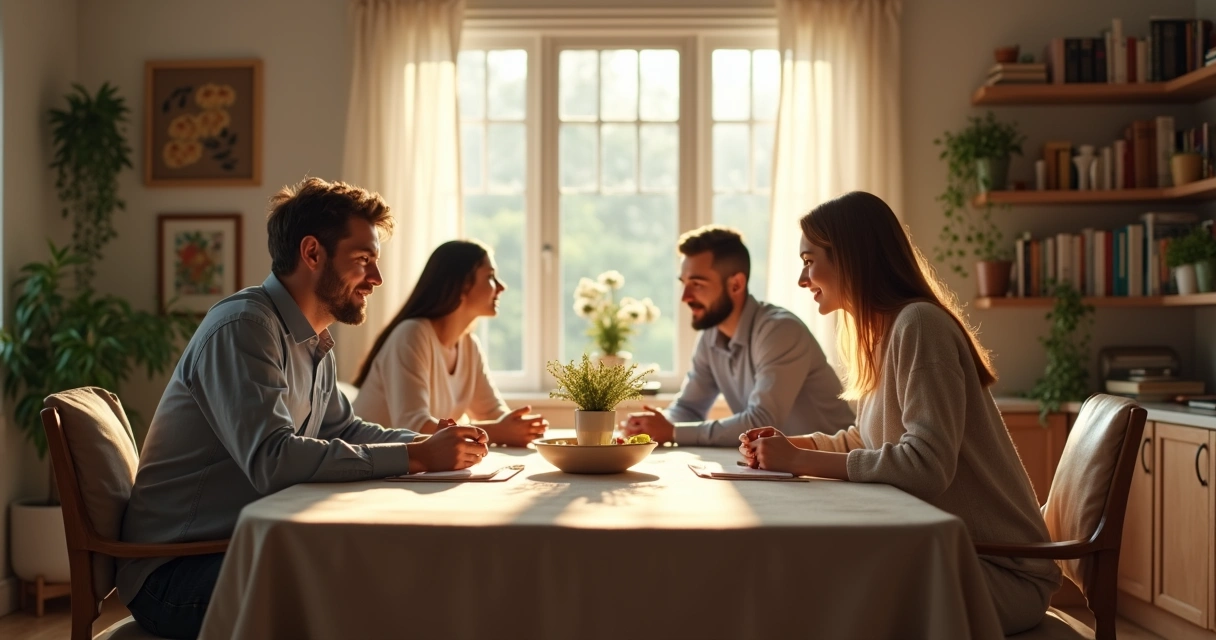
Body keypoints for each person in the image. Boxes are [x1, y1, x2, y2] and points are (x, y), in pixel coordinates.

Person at [118, 178, 488, 639]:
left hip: (238, 548)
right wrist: (417, 457)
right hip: (175, 572)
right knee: (368, 593)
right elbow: (272, 460)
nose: (376, 279)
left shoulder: (314, 342)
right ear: (312, 253)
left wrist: (425, 443)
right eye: (363, 261)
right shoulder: (244, 327)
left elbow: (345, 430)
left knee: (395, 573)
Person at [739, 191, 1060, 635]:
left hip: (996, 571)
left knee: (825, 593)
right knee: (817, 585)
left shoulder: (920, 326)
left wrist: (799, 461)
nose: (801, 278)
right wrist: (796, 445)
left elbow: (926, 466)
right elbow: (868, 440)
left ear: (851, 258)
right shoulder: (887, 332)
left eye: (810, 261)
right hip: (954, 555)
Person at [620, 225, 853, 446]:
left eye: (697, 284)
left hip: (835, 470)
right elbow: (689, 408)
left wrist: (672, 432)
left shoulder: (780, 331)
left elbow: (762, 422)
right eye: (683, 283)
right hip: (782, 469)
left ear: (736, 284)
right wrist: (650, 426)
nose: (685, 297)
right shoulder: (711, 335)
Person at [352, 240, 548, 446]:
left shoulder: (469, 345)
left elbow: (492, 413)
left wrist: (520, 428)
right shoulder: (412, 334)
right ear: (462, 284)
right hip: (368, 466)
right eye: (490, 276)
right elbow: (412, 426)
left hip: (409, 471)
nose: (501, 287)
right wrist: (497, 432)